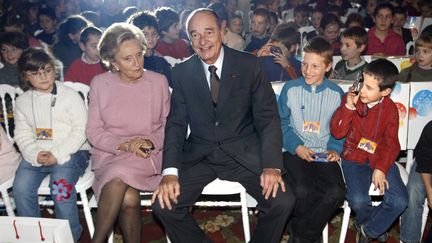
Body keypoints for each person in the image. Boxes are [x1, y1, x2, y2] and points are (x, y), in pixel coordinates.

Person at [151, 8, 295, 243]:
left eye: (208, 32)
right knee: (162, 205)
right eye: (194, 35)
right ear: (188, 39)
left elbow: (268, 118)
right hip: (200, 156)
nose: (202, 41)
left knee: (283, 201)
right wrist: (170, 172)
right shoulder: (181, 72)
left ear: (222, 31)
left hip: (243, 153)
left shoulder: (249, 65)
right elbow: (176, 124)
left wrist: (271, 165)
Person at [86, 23, 170, 243]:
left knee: (119, 173)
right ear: (113, 62)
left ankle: (98, 240)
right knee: (129, 199)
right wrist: (124, 145)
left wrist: (148, 143)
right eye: (127, 58)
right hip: (110, 153)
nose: (137, 63)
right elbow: (93, 132)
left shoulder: (158, 82)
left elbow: (168, 124)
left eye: (139, 55)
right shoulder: (100, 84)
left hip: (147, 153)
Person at [12, 48, 90, 242]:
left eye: (47, 70)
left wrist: (57, 154)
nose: (43, 76)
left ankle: (69, 236)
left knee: (59, 189)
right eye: (35, 73)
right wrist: (34, 154)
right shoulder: (22, 102)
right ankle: (35, 236)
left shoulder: (70, 96)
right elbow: (21, 134)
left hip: (72, 151)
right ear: (25, 76)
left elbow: (81, 131)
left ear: (54, 69)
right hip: (37, 153)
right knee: (20, 188)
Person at [330, 59, 408, 242]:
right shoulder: (352, 98)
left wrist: (381, 168)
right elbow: (337, 131)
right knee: (358, 200)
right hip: (353, 157)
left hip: (380, 157)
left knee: (399, 201)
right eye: (362, 82)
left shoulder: (389, 109)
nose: (362, 90)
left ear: (385, 92)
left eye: (370, 88)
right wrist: (348, 107)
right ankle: (372, 226)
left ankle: (368, 230)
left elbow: (391, 143)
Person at [278, 37, 346, 243]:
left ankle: (300, 234)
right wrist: (295, 146)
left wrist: (335, 147)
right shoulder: (290, 89)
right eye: (304, 64)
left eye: (315, 66)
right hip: (295, 150)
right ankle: (308, 236)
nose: (307, 70)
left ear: (328, 67)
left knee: (336, 192)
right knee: (302, 190)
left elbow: (340, 128)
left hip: (324, 152)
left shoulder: (336, 94)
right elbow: (281, 124)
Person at [399, 33, 432, 243]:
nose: (420, 55)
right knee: (413, 191)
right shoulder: (407, 74)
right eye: (418, 50)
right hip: (420, 142)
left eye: (426, 51)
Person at [128, 10, 173, 86]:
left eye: (154, 34)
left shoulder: (161, 62)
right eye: (145, 34)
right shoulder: (130, 63)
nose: (150, 38)